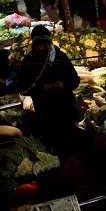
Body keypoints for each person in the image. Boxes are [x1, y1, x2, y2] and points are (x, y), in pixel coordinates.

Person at [16, 25, 81, 155]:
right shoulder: (28, 62)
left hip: (66, 110)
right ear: (34, 45)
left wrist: (63, 84)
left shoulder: (60, 57)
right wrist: (42, 88)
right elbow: (23, 87)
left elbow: (75, 80)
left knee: (72, 145)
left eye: (46, 44)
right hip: (45, 113)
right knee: (52, 146)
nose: (43, 48)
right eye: (40, 44)